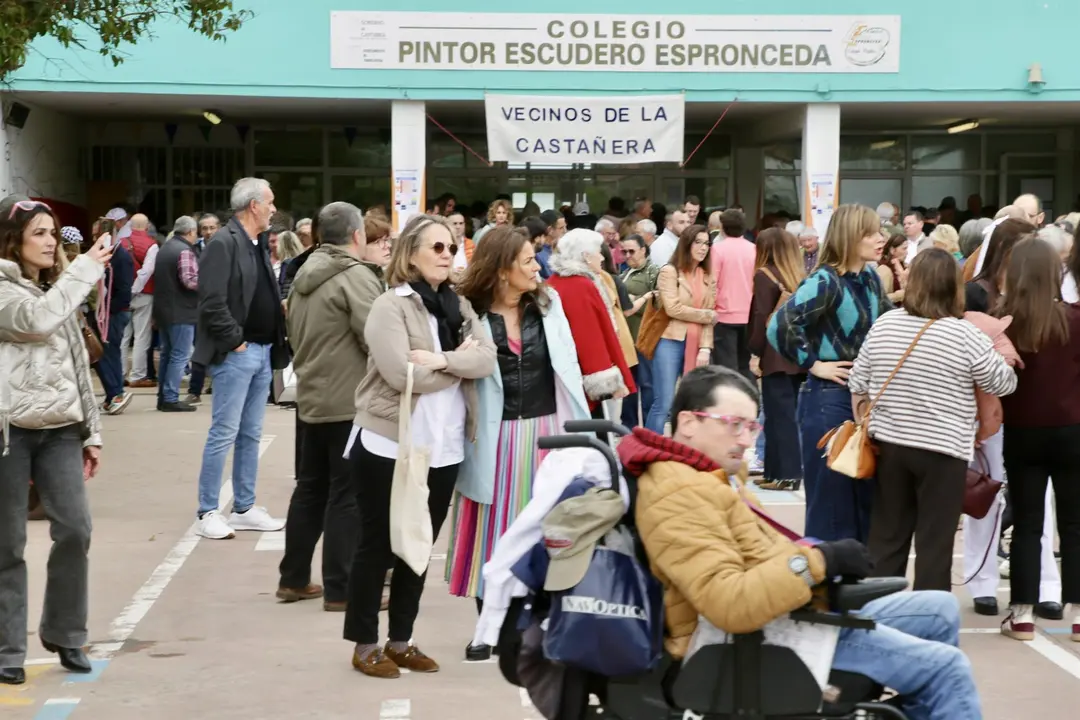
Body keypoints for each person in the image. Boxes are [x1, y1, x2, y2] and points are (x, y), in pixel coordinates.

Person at [618, 366, 983, 720]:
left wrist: (819, 567)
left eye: (751, 426)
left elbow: (759, 560)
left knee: (940, 609)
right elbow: (727, 602)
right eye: (733, 425)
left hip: (780, 616)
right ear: (688, 422)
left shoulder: (712, 478)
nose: (746, 441)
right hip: (741, 641)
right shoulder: (679, 493)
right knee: (947, 668)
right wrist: (818, 562)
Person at [344, 214, 496, 678]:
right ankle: (365, 643)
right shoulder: (391, 306)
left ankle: (402, 640)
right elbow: (400, 373)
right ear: (411, 253)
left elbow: (486, 358)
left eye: (451, 248)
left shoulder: (460, 305)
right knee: (378, 546)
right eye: (437, 247)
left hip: (445, 446)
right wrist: (456, 365)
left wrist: (441, 360)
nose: (447, 255)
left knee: (418, 547)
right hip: (389, 444)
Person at [448, 225, 590, 660]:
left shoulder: (548, 303)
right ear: (503, 268)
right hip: (493, 433)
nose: (536, 267)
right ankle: (485, 628)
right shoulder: (467, 311)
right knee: (490, 531)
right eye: (527, 260)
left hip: (547, 430)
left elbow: (567, 363)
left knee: (543, 529)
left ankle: (535, 625)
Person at [849, 249, 1016, 591]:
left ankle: (880, 617)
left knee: (887, 539)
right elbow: (1003, 383)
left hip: (890, 445)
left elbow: (858, 382)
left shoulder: (885, 323)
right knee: (934, 545)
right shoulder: (964, 334)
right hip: (944, 451)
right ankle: (928, 624)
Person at [0, 197, 113, 684]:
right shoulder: (6, 288)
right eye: (40, 233)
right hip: (9, 433)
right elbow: (35, 320)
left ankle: (66, 633)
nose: (52, 241)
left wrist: (93, 432)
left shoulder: (59, 287)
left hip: (61, 430)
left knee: (76, 529)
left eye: (54, 232)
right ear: (13, 241)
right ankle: (7, 649)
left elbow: (76, 366)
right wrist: (84, 268)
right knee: (8, 544)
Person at [278, 202, 384, 611]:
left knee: (310, 488)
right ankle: (340, 587)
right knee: (347, 495)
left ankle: (293, 577)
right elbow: (375, 334)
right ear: (357, 235)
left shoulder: (304, 270)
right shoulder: (355, 276)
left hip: (311, 396)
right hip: (347, 400)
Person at [768, 204, 890, 543]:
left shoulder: (869, 278)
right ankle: (828, 587)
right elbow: (780, 325)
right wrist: (813, 363)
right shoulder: (825, 280)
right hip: (828, 398)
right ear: (851, 237)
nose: (881, 239)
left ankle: (855, 588)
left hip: (859, 399)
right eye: (871, 233)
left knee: (862, 499)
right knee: (832, 506)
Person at [192, 178, 290, 539]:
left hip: (261, 352)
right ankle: (207, 511)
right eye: (270, 202)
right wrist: (236, 343)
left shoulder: (255, 242)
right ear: (254, 206)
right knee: (224, 432)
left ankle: (244, 507)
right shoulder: (223, 243)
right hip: (239, 354)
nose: (274, 209)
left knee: (250, 434)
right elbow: (211, 302)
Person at [998, 238, 1080, 642]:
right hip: (1072, 429)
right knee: (1075, 523)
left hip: (1022, 431)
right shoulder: (1076, 318)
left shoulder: (1004, 320)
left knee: (1028, 523)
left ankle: (1022, 614)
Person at [546, 229, 635, 420]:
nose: (602, 257)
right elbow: (589, 338)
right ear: (586, 256)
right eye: (598, 251)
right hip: (586, 379)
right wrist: (607, 385)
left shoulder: (559, 281)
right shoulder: (579, 285)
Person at [747, 227, 806, 490]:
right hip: (796, 354)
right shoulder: (798, 275)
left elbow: (761, 317)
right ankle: (774, 472)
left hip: (773, 354)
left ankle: (787, 474)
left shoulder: (763, 275)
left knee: (778, 417)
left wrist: (755, 351)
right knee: (785, 415)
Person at [645, 224, 715, 434]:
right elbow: (673, 308)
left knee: (693, 402)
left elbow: (710, 312)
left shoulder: (707, 274)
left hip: (697, 342)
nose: (703, 248)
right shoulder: (669, 271)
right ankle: (649, 451)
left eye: (707, 244)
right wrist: (705, 315)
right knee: (664, 403)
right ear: (687, 244)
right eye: (698, 242)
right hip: (670, 339)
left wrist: (705, 348)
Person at [152, 216, 200, 412]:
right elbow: (189, 280)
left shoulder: (165, 248)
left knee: (167, 355)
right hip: (181, 311)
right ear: (190, 232)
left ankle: (163, 396)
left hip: (164, 310)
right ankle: (171, 397)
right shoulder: (184, 250)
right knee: (180, 355)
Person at [619, 233, 659, 427]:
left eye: (631, 251)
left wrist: (635, 301)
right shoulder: (624, 271)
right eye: (624, 251)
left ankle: (649, 427)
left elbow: (658, 303)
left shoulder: (653, 271)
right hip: (627, 338)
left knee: (647, 385)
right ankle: (629, 427)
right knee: (629, 384)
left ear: (643, 250)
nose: (627, 255)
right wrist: (635, 298)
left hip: (645, 338)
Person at [119, 213, 158, 387]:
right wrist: (135, 289)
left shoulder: (120, 243)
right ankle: (138, 376)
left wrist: (126, 291)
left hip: (123, 295)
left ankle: (120, 374)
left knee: (123, 336)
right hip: (144, 294)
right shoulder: (152, 245)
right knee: (142, 336)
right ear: (147, 226)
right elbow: (147, 271)